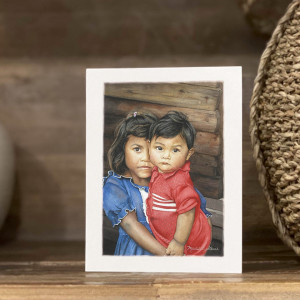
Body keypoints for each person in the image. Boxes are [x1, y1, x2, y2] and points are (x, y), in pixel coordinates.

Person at [146, 111, 212, 256]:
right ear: (149, 146)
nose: (166, 155)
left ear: (188, 154)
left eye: (175, 150)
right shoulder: (159, 170)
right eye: (159, 148)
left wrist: (178, 242)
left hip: (188, 240)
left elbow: (187, 214)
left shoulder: (179, 182)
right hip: (165, 234)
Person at [103, 112, 166, 255]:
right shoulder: (115, 186)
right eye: (137, 149)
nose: (145, 158)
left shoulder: (167, 181)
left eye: (152, 150)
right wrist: (169, 257)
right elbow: (130, 225)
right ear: (122, 150)